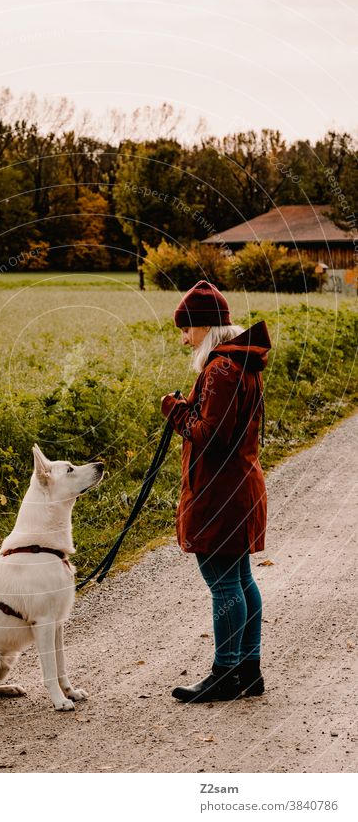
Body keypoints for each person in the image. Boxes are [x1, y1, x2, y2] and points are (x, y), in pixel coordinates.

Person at [161, 280, 271, 703]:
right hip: (237, 487)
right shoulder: (235, 364)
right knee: (239, 579)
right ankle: (248, 669)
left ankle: (226, 672)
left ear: (204, 325)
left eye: (186, 328)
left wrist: (175, 411)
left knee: (224, 582)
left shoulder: (221, 369)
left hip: (221, 494)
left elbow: (213, 435)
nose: (183, 337)